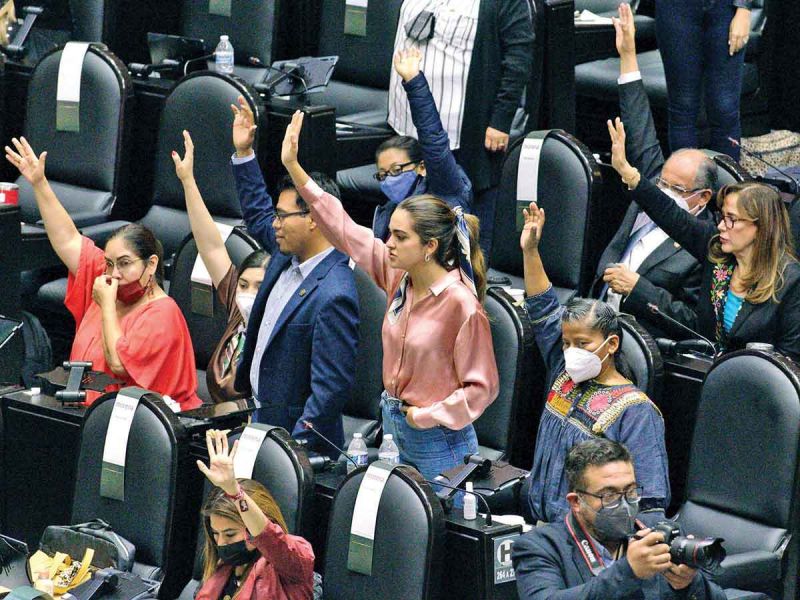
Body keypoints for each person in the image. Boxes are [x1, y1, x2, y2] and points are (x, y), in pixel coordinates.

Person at [282, 110, 499, 483]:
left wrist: (426, 416)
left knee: (436, 518)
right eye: (390, 234)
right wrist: (295, 169)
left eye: (400, 237)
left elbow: (483, 388)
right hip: (393, 425)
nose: (390, 243)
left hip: (439, 440)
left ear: (429, 246)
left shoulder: (461, 303)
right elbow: (344, 229)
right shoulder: (398, 274)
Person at [5, 136, 201, 409]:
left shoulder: (163, 314)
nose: (114, 273)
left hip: (141, 423)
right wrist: (39, 183)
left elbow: (119, 364)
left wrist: (107, 305)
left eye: (125, 263)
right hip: (89, 410)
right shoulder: (106, 278)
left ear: (151, 264)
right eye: (109, 263)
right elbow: (68, 239)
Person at [520, 201, 669, 524]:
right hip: (539, 526)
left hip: (589, 539)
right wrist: (530, 251)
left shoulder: (636, 412)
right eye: (567, 343)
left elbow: (649, 501)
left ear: (611, 344)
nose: (571, 351)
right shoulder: (564, 371)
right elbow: (543, 307)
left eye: (583, 344)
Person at [229, 97, 360, 458]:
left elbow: (329, 391)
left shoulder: (335, 293)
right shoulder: (286, 253)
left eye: (283, 216)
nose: (275, 224)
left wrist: (290, 450)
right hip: (261, 422)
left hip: (294, 447)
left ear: (315, 218)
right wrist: (244, 153)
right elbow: (258, 214)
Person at [608, 117, 800, 360]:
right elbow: (672, 215)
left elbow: (790, 358)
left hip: (756, 379)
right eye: (722, 217)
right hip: (701, 369)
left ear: (760, 227)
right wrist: (629, 173)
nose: (721, 226)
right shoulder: (716, 249)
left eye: (732, 219)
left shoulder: (790, 281)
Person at [592, 3, 717, 340]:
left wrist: (639, 289)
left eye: (675, 188)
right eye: (661, 182)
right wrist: (628, 55)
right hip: (593, 318)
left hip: (642, 340)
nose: (662, 191)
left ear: (702, 197)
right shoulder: (653, 187)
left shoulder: (707, 245)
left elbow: (694, 325)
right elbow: (639, 125)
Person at [388, 0, 534, 255]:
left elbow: (518, 60)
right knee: (404, 228)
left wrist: (500, 119)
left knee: (458, 236)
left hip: (461, 138)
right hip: (406, 127)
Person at [512, 438, 726, 599]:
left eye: (630, 491)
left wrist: (688, 584)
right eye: (609, 495)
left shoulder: (660, 533)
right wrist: (628, 571)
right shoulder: (539, 547)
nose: (624, 504)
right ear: (576, 502)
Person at [172, 130, 269, 404]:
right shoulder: (238, 312)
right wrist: (188, 181)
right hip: (217, 418)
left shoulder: (276, 331)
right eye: (244, 285)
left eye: (259, 287)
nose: (248, 294)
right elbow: (211, 246)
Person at [195, 429, 314, 600]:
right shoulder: (221, 572)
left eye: (230, 534)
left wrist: (235, 492)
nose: (221, 543)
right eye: (216, 534)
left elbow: (268, 535)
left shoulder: (292, 566)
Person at [372, 47, 472, 242]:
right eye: (383, 175)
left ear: (422, 167)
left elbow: (433, 139)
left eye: (396, 170)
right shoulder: (388, 211)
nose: (389, 180)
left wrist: (414, 81)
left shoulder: (444, 191)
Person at [655, 0, 752, 159]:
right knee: (682, 108)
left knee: (725, 110)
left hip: (726, 8)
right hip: (675, 8)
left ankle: (728, 176)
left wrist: (744, 8)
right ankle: (684, 176)